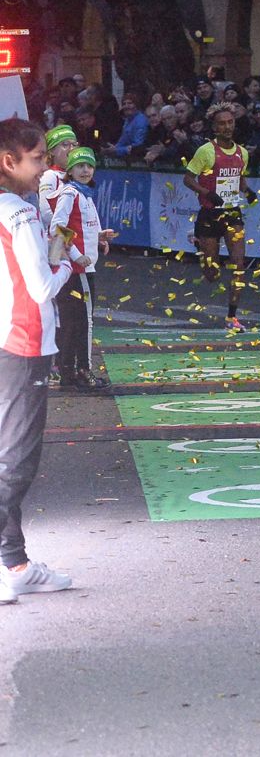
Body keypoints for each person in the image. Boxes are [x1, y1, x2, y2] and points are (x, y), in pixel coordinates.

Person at [0, 119, 75, 602]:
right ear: (9, 162)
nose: (46, 164)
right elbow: (42, 287)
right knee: (15, 461)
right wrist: (69, 259)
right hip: (24, 342)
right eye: (38, 157)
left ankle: (16, 562)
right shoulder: (19, 214)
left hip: (5, 338)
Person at [183, 106, 255, 328]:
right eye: (222, 123)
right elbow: (187, 179)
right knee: (212, 274)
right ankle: (200, 246)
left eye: (230, 122)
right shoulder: (206, 151)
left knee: (238, 264)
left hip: (232, 213)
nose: (227, 127)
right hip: (209, 214)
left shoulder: (242, 153)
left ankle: (232, 317)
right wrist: (207, 193)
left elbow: (239, 178)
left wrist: (247, 190)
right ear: (214, 127)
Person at [45, 148, 111, 389]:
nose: (85, 170)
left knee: (73, 321)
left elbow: (83, 228)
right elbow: (57, 228)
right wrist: (77, 255)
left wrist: (101, 237)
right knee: (85, 321)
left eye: (89, 166)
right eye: (80, 166)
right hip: (79, 271)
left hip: (83, 268)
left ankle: (68, 372)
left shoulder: (85, 194)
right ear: (70, 170)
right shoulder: (71, 193)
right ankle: (83, 370)